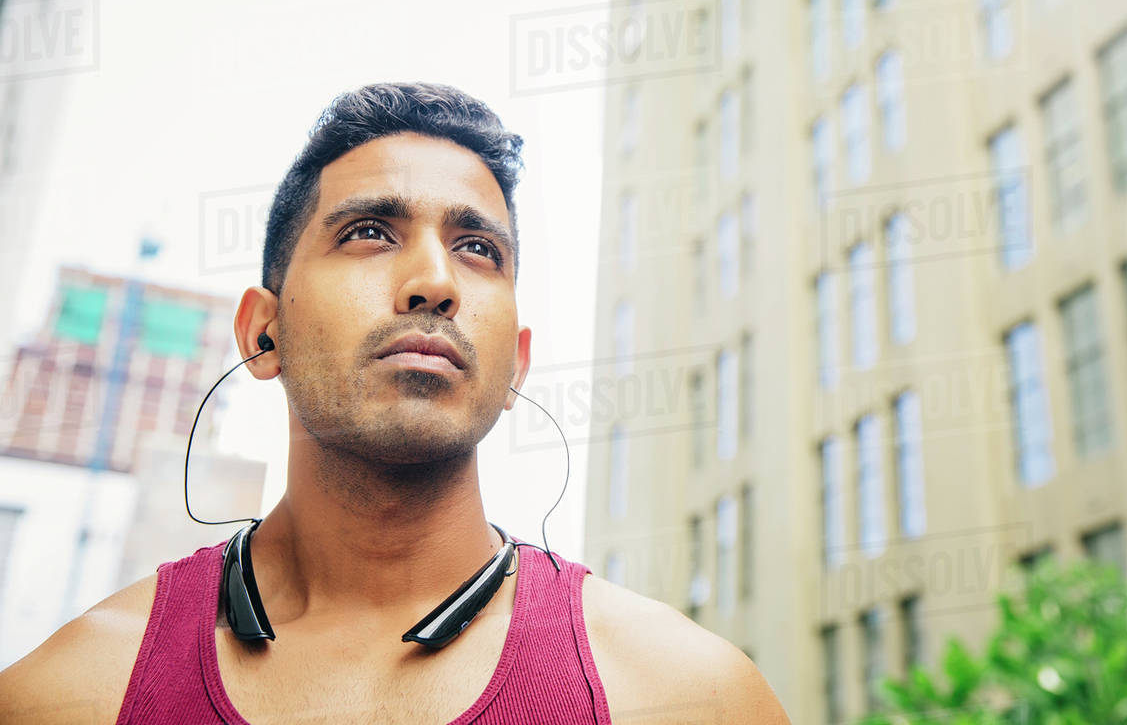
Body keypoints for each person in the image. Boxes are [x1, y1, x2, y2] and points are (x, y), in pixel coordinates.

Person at [0, 82, 789, 724]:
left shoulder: (688, 694)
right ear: (262, 333)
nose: (435, 283)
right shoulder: (67, 697)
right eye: (371, 232)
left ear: (516, 364)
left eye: (478, 249)